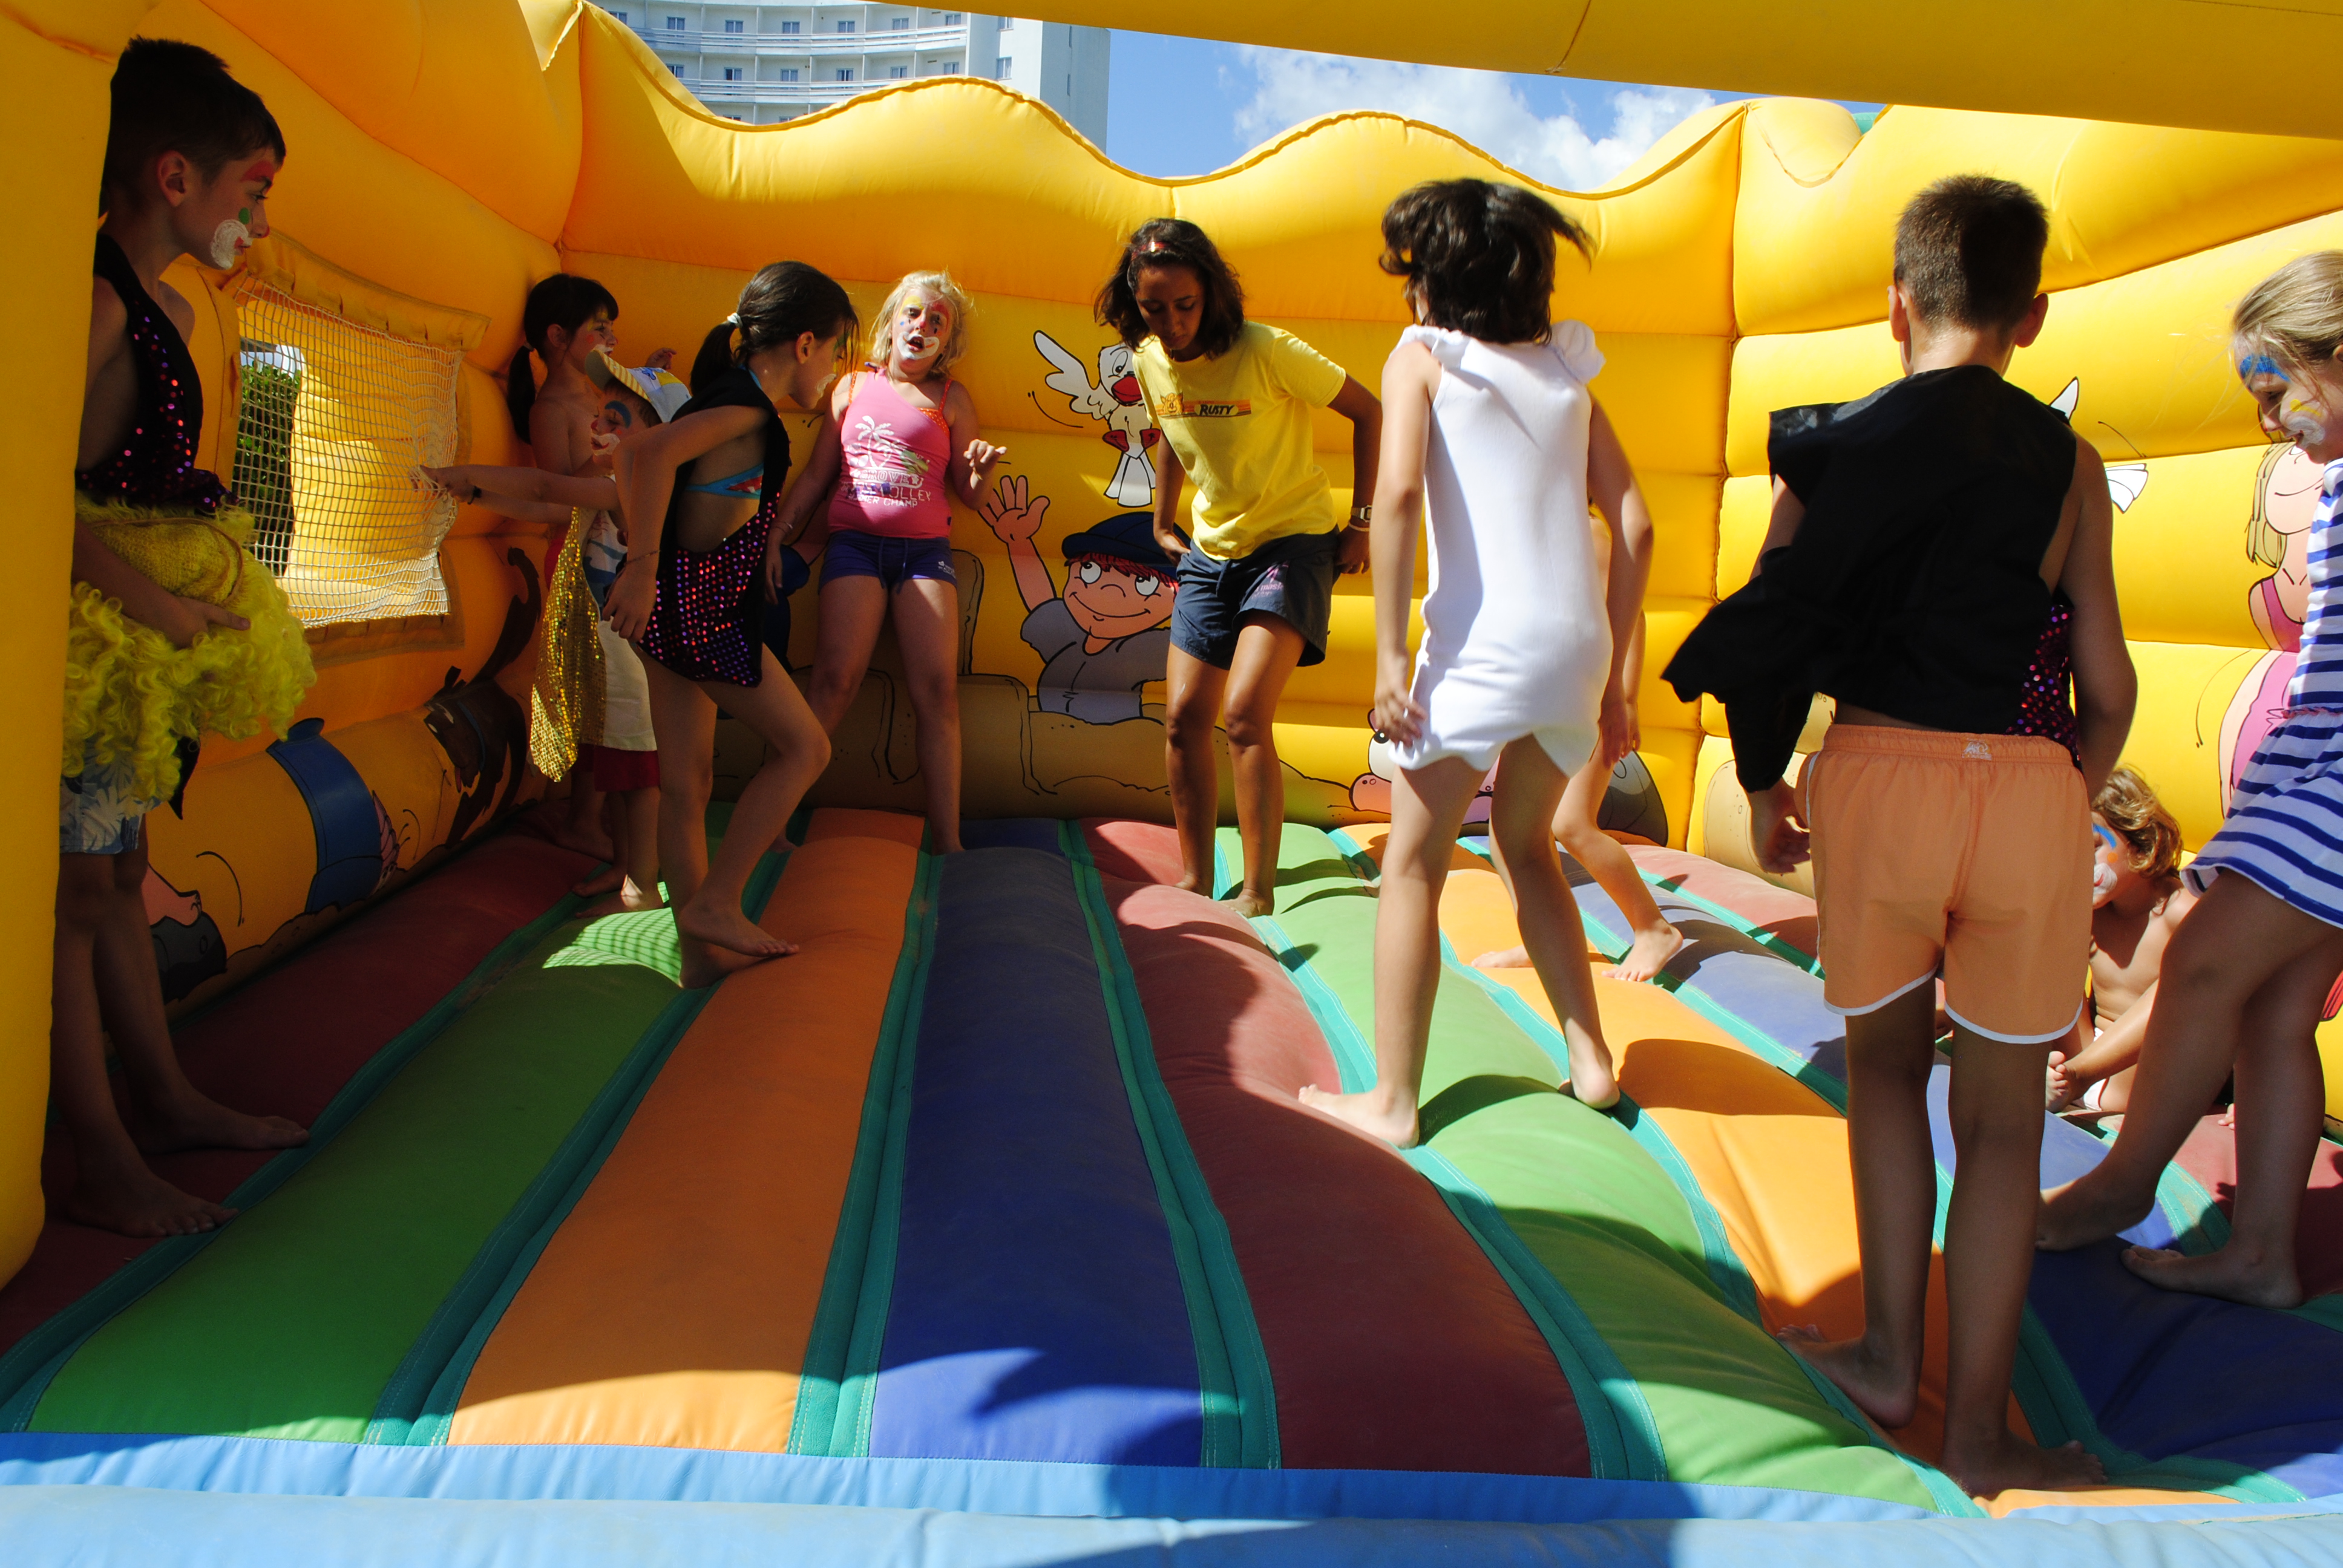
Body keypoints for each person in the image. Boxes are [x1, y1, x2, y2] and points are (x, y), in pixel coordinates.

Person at [1663, 176, 2134, 1494]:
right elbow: (2107, 680)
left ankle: (1885, 1358)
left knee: (1881, 1075)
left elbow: (1770, 626)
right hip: (2029, 789)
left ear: (1894, 307)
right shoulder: (2070, 465)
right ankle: (1981, 1433)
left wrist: (1766, 782)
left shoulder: (1824, 447)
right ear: (2030, 317)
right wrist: (2067, 789)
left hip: (1878, 773)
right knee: (2003, 1124)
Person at [1302, 178, 1648, 1146]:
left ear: (1432, 283)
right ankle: (1591, 1060)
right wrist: (1618, 683)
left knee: (1413, 867)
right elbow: (1636, 524)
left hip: (1483, 648)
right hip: (1576, 650)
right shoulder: (1566, 372)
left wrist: (1391, 658)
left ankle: (1393, 1101)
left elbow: (1397, 496)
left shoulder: (1423, 356)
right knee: (1527, 846)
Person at [2039, 250, 2343, 1314]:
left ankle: (2120, 1185)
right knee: (2274, 1009)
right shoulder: (2337, 485)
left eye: (2277, 389)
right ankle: (2261, 1251)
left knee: (2206, 955)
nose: (2266, 420)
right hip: (2315, 762)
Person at [62, 37, 315, 1236]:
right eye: (249, 193)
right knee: (74, 893)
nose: (256, 222)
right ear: (175, 178)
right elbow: (31, 491)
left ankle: (158, 1098)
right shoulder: (99, 300)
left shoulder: (163, 302)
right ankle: (99, 1154)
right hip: (90, 639)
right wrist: (153, 603)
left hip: (127, 649)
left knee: (117, 875)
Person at [1097, 218, 1383, 916]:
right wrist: (1161, 521)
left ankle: (1257, 889)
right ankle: (1195, 877)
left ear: (1212, 293)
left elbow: (1369, 412)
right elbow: (1171, 431)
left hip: (1291, 547)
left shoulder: (1266, 350)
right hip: (1212, 552)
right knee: (1182, 718)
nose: (1171, 324)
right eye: (1153, 309)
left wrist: (1361, 523)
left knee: (1246, 714)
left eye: (1185, 305)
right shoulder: (1148, 358)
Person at [603, 261, 857, 988]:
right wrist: (641, 566)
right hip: (703, 613)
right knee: (805, 747)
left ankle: (700, 956)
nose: (834, 370)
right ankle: (716, 903)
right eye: (836, 351)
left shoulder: (725, 398)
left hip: (675, 608)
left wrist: (651, 564)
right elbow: (650, 452)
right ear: (804, 344)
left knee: (687, 784)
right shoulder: (748, 410)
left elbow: (637, 458)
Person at [421, 355, 689, 913]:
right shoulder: (613, 481)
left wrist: (468, 474)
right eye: (600, 414)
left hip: (630, 656)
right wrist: (475, 495)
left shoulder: (636, 487)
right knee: (615, 767)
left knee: (637, 773)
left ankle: (642, 884)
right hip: (603, 650)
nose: (599, 426)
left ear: (659, 440)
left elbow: (545, 485)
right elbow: (544, 504)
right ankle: (624, 865)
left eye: (615, 420)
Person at [779, 272, 1002, 855]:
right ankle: (772, 821)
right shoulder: (852, 387)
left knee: (938, 692)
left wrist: (980, 471)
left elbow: (971, 496)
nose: (921, 326)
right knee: (834, 682)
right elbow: (816, 476)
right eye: (912, 314)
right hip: (854, 546)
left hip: (924, 554)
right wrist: (777, 535)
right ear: (892, 321)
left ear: (947, 342)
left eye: (936, 321)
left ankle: (947, 840)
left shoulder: (952, 399)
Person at [1471, 616, 1685, 983]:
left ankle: (1653, 928)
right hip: (1541, 693)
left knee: (1572, 824)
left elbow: (1631, 614)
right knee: (1515, 826)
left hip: (1595, 700)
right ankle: (1542, 937)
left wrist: (1626, 700)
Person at [507, 273, 626, 868]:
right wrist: (600, 459)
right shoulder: (551, 409)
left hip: (613, 553)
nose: (611, 339)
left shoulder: (597, 394)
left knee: (617, 688)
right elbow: (554, 497)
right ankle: (582, 820)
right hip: (580, 558)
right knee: (596, 690)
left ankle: (597, 815)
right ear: (558, 336)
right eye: (599, 329)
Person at [2043, 768, 2195, 1119]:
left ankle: (2072, 1077)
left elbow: (2245, 997)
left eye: (2091, 848)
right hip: (2075, 1064)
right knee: (2041, 942)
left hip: (2145, 1076)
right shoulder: (2088, 913)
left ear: (2141, 843)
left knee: (2180, 981)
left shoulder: (2182, 913)